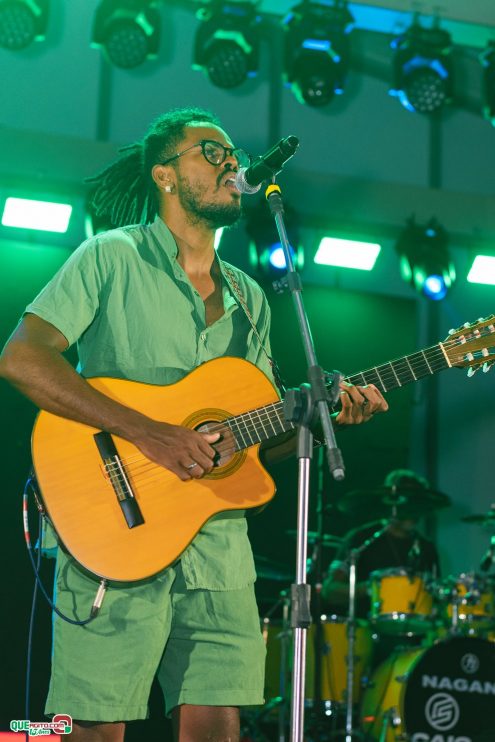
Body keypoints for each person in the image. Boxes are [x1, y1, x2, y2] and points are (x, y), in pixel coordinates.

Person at [0, 107, 388, 742]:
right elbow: (22, 359)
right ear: (165, 175)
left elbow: (254, 435)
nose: (231, 161)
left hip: (218, 545)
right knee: (93, 728)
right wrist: (148, 432)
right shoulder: (111, 257)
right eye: (211, 151)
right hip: (115, 527)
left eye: (233, 153)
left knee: (216, 727)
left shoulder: (251, 297)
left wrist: (322, 418)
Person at [321, 469, 440, 618]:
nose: (411, 510)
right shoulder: (361, 539)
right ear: (391, 502)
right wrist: (369, 588)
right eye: (407, 503)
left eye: (417, 504)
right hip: (367, 632)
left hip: (417, 634)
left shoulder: (427, 548)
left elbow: (435, 597)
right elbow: (330, 590)